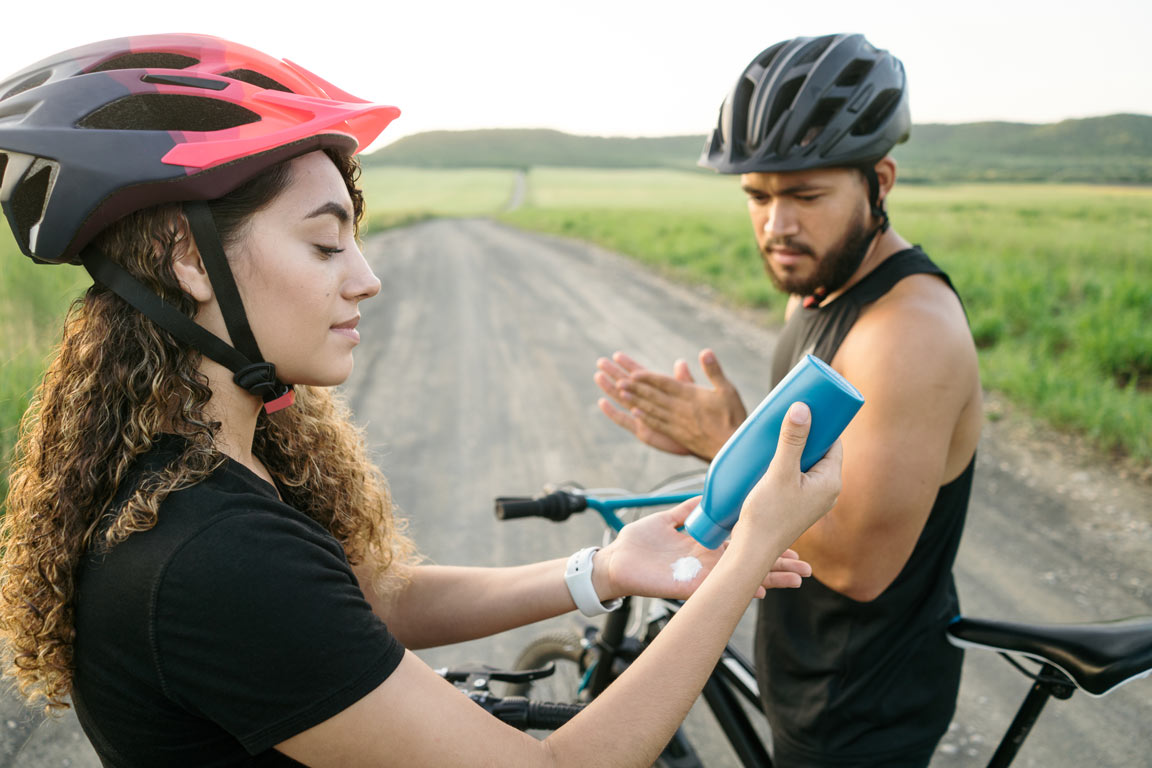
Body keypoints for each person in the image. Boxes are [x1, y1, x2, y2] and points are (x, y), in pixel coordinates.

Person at [0, 34, 842, 767]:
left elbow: (366, 604)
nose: (365, 279)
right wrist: (749, 550)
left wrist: (606, 571)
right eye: (325, 243)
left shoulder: (204, 473)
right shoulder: (207, 555)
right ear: (188, 257)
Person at [595, 33, 983, 767]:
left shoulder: (906, 331)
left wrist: (727, 442)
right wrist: (719, 441)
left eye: (806, 195)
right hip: (807, 666)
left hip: (860, 705)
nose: (777, 226)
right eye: (759, 196)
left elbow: (863, 565)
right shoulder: (818, 285)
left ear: (881, 181)